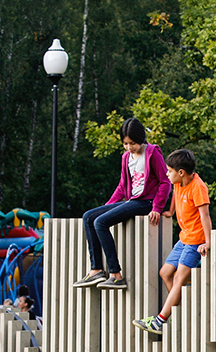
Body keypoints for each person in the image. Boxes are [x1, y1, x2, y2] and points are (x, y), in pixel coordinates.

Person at [73, 118, 171, 291]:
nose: (129, 147)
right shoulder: (126, 157)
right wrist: (108, 206)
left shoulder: (152, 152)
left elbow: (165, 183)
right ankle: (96, 269)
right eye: (125, 144)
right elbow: (122, 185)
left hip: (146, 202)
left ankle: (116, 275)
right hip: (131, 200)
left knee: (100, 222)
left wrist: (157, 207)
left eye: (132, 143)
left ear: (141, 139)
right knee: (89, 216)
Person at [133, 149, 212, 333]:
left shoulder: (198, 187)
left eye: (169, 171)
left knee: (178, 278)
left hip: (195, 241)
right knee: (165, 273)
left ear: (181, 172)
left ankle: (160, 320)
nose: (167, 174)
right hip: (184, 237)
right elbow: (176, 196)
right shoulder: (179, 183)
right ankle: (184, 309)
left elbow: (205, 216)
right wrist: (170, 212)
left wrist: (207, 242)